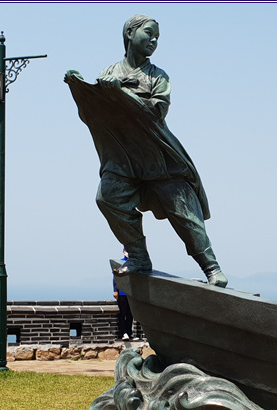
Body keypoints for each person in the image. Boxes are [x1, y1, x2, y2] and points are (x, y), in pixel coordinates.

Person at [65, 14, 227, 288]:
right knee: (107, 198)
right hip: (123, 158)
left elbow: (156, 113)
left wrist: (122, 94)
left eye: (157, 37)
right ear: (130, 33)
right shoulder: (109, 73)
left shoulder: (158, 77)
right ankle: (138, 256)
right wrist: (81, 89)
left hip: (159, 157)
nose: (154, 40)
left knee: (185, 214)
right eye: (149, 33)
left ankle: (212, 268)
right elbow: (96, 115)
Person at [113, 250, 133, 340]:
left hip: (131, 294)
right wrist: (115, 291)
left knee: (130, 314)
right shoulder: (120, 262)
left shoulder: (133, 263)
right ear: (124, 251)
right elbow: (115, 278)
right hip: (122, 293)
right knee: (122, 313)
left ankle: (129, 333)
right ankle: (123, 333)